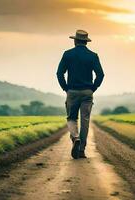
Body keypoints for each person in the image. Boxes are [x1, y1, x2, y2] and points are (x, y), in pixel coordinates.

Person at [56, 30, 104, 159]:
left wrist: (65, 88)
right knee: (85, 121)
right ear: (86, 42)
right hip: (87, 92)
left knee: (71, 118)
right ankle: (82, 150)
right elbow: (100, 75)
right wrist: (93, 88)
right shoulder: (93, 56)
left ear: (75, 40)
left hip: (72, 91)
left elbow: (59, 73)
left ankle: (75, 138)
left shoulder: (68, 54)